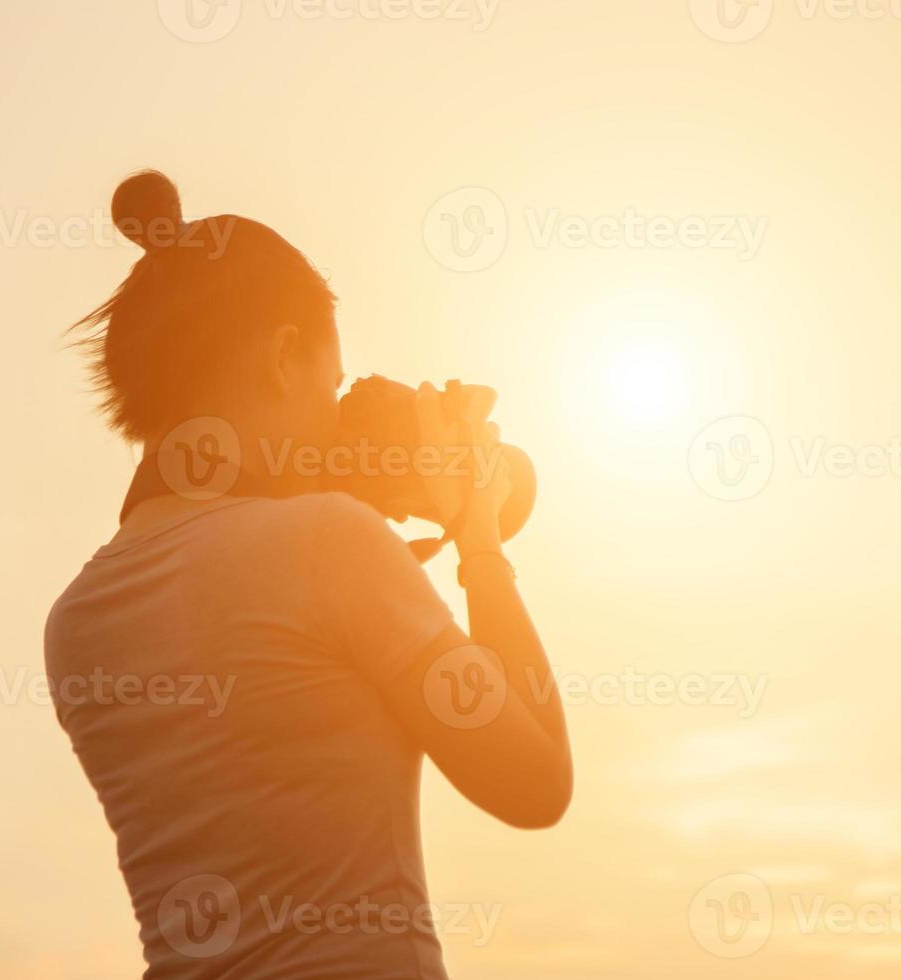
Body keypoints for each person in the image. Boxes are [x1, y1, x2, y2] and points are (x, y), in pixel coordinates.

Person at [44, 171, 572, 979]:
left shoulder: (76, 618)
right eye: (332, 384)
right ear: (284, 356)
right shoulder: (328, 542)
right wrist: (477, 539)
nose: (338, 413)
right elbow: (535, 784)